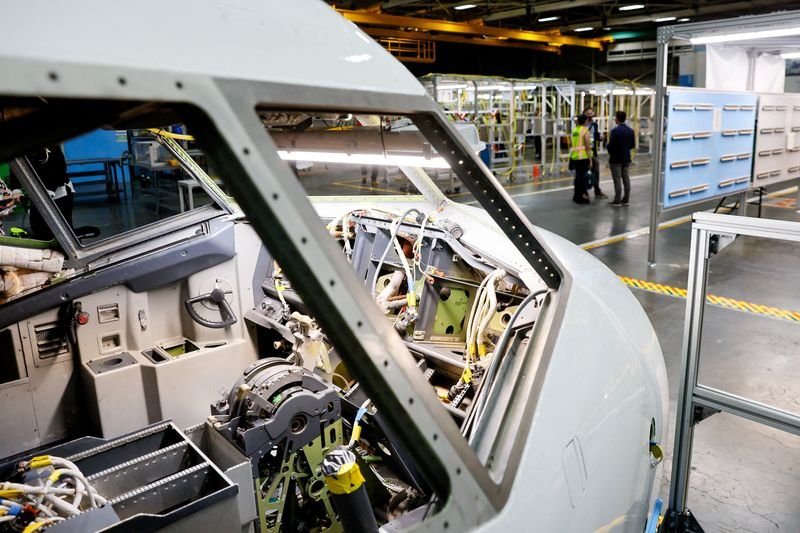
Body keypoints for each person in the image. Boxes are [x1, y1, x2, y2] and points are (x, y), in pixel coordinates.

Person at [28, 146, 73, 240]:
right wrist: (17, 190)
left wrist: (50, 190)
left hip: (60, 192)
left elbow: (60, 172)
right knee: (38, 226)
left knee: (64, 227)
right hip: (37, 193)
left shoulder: (54, 149)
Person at [606, 110, 636, 207]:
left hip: (615, 159)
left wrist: (607, 146)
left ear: (617, 119)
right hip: (626, 159)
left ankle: (617, 200)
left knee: (617, 179)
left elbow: (611, 146)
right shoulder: (630, 131)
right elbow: (632, 145)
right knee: (626, 178)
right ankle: (626, 199)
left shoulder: (615, 131)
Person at [583, 107, 607, 199]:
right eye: (588, 114)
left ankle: (597, 190)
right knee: (584, 172)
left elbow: (595, 136)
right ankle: (584, 191)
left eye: (591, 114)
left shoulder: (594, 124)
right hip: (584, 151)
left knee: (596, 171)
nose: (590, 115)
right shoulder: (581, 125)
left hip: (592, 151)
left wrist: (601, 138)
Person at [570, 114, 592, 204]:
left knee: (577, 177)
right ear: (585, 121)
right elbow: (587, 146)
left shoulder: (574, 130)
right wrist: (590, 159)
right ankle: (581, 197)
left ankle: (576, 195)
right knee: (583, 178)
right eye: (587, 120)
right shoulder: (585, 131)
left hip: (575, 157)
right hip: (583, 157)